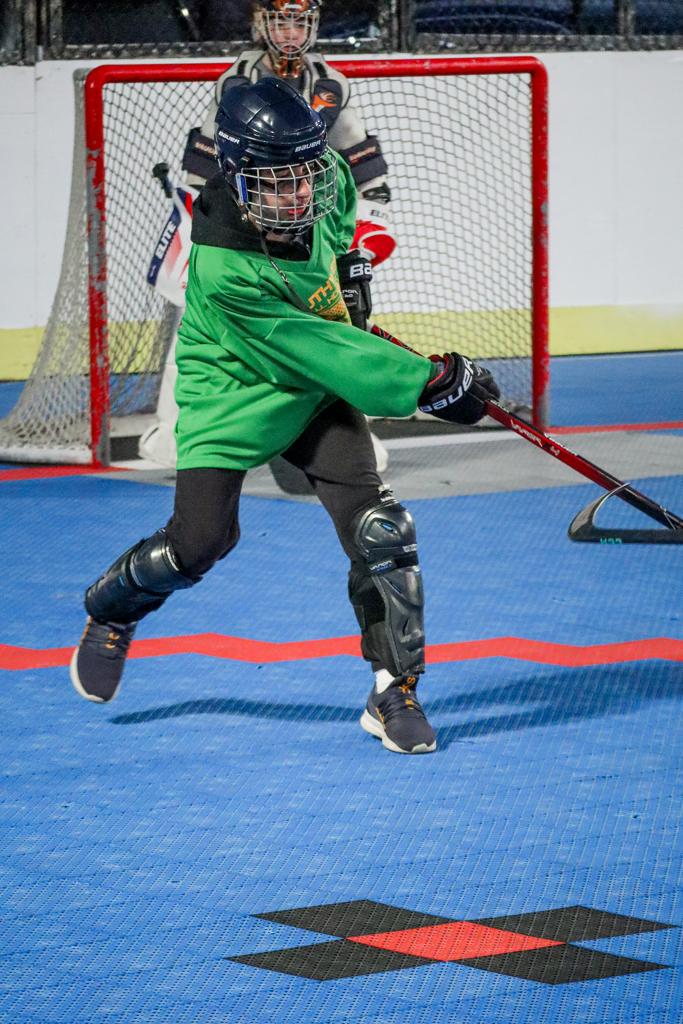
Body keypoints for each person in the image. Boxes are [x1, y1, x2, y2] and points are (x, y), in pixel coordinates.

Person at [71, 78, 500, 756]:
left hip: (313, 390)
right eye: (278, 183)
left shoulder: (319, 174)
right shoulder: (225, 267)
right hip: (233, 393)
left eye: (305, 174)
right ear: (239, 176)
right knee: (200, 543)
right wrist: (431, 384)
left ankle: (394, 689)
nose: (299, 192)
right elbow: (319, 347)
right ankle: (111, 609)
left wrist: (349, 270)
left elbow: (340, 227)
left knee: (380, 529)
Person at [140, 0, 394, 471]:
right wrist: (198, 225)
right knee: (197, 321)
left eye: (300, 21)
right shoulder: (237, 81)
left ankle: (351, 434)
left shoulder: (330, 85)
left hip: (307, 225)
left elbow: (361, 160)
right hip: (243, 230)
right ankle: (175, 430)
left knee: (339, 321)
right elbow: (206, 165)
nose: (291, 32)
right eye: (281, 21)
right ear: (261, 23)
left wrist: (370, 216)